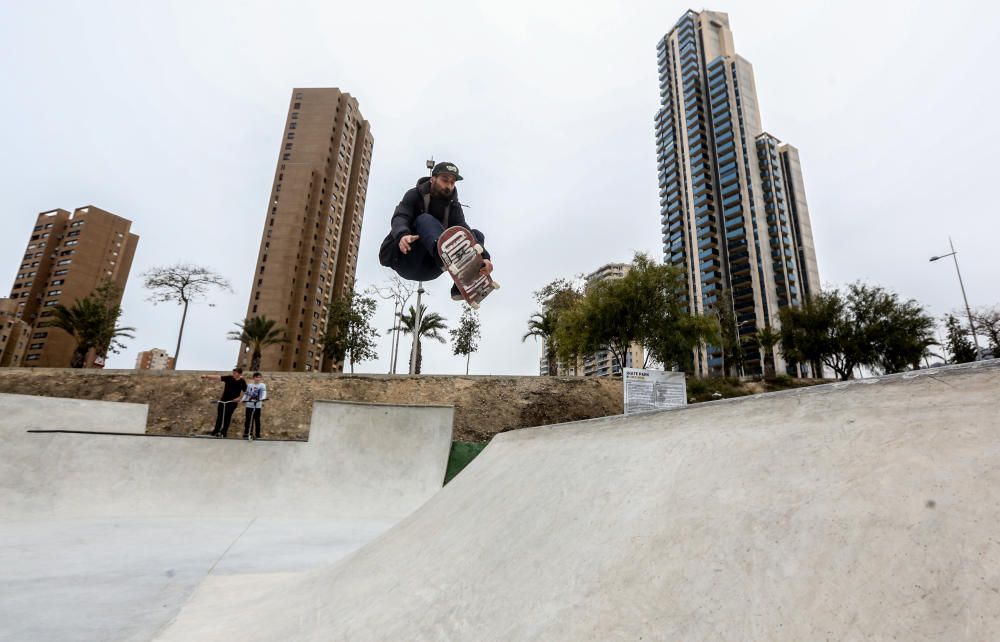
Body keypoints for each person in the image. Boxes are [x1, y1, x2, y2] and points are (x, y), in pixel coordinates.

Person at [378, 161, 493, 300]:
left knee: (475, 234)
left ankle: (461, 286)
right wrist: (403, 234)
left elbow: (465, 230)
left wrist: (485, 258)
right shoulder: (414, 195)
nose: (449, 186)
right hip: (406, 256)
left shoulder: (454, 207)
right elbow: (401, 215)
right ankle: (444, 259)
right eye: (445, 180)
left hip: (430, 268)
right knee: (424, 219)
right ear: (433, 179)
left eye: (452, 182)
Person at [200, 368, 247, 438]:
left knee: (227, 417)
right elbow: (218, 377)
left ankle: (223, 433)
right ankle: (215, 432)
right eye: (233, 372)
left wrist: (239, 398)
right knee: (220, 416)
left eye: (235, 373)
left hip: (232, 402)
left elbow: (245, 391)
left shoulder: (242, 381)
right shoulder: (229, 378)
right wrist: (206, 376)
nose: (233, 374)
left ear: (239, 374)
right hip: (223, 401)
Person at [241, 372, 267, 440]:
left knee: (257, 420)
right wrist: (243, 399)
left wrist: (263, 398)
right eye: (256, 377)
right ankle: (248, 434)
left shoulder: (262, 385)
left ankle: (257, 435)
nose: (258, 379)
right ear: (254, 378)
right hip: (249, 405)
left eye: (259, 377)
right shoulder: (250, 385)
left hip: (257, 405)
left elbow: (263, 392)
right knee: (248, 420)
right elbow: (246, 393)